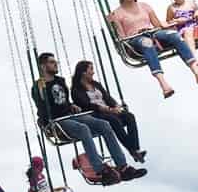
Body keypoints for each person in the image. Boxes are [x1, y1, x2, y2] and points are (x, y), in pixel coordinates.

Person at [32, 53, 145, 184]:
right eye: (52, 62)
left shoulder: (60, 81)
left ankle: (122, 166)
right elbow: (41, 107)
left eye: (55, 61)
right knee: (83, 129)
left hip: (70, 115)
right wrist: (45, 123)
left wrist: (72, 105)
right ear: (43, 66)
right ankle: (101, 170)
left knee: (104, 125)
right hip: (57, 122)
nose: (56, 64)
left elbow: (64, 100)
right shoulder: (39, 86)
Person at [108, 0, 198, 97]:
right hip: (134, 39)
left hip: (152, 32)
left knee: (174, 35)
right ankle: (164, 85)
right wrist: (113, 24)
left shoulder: (145, 6)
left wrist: (178, 21)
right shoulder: (117, 13)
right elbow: (122, 37)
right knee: (146, 42)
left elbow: (158, 25)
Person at [71, 60, 143, 162]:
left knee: (129, 116)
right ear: (83, 72)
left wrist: (116, 106)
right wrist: (107, 109)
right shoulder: (76, 89)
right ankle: (133, 150)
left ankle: (135, 148)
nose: (93, 72)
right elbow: (86, 105)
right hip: (94, 114)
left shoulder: (96, 84)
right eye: (91, 69)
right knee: (114, 120)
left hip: (108, 110)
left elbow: (107, 97)